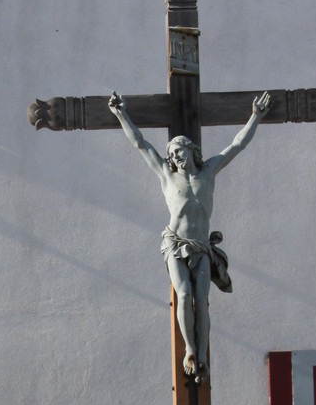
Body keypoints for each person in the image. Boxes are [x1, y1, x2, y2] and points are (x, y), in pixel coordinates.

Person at [108, 90, 271, 384]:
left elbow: (237, 145)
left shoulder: (208, 171)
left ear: (191, 149)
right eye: (170, 154)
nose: (174, 157)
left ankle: (204, 359)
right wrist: (122, 114)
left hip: (202, 247)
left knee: (202, 299)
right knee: (183, 294)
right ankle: (190, 352)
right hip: (175, 244)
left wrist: (255, 117)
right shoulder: (167, 176)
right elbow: (140, 144)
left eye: (178, 151)